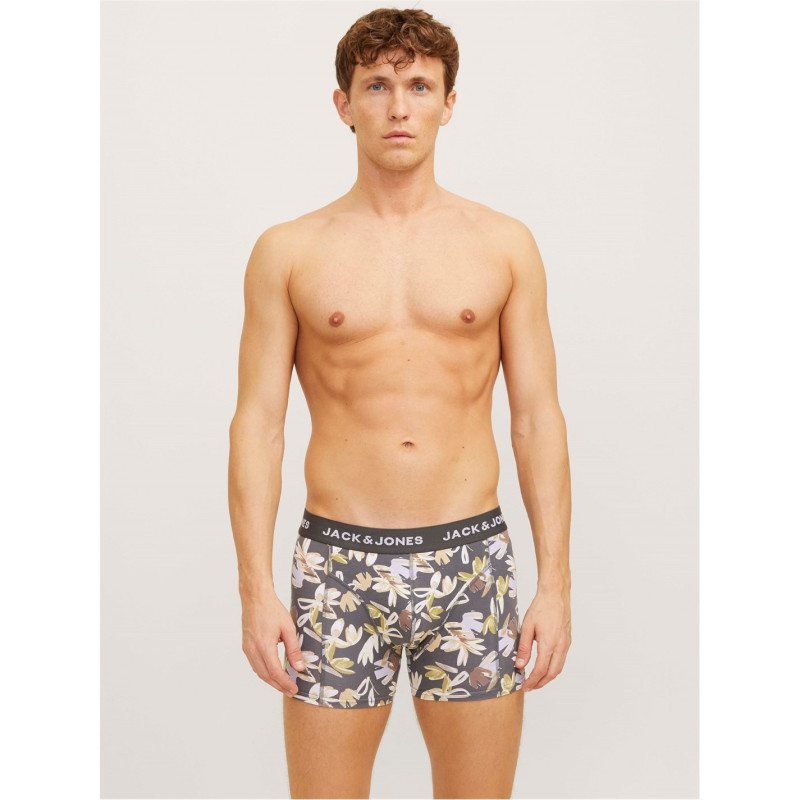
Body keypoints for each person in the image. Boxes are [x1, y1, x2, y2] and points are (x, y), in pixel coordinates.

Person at [228, 7, 572, 798]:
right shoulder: (289, 251)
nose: (398, 106)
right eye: (377, 85)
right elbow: (259, 426)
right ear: (343, 104)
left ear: (449, 103)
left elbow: (536, 419)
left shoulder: (503, 245)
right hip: (338, 567)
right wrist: (255, 589)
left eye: (419, 86)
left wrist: (555, 585)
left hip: (471, 562)